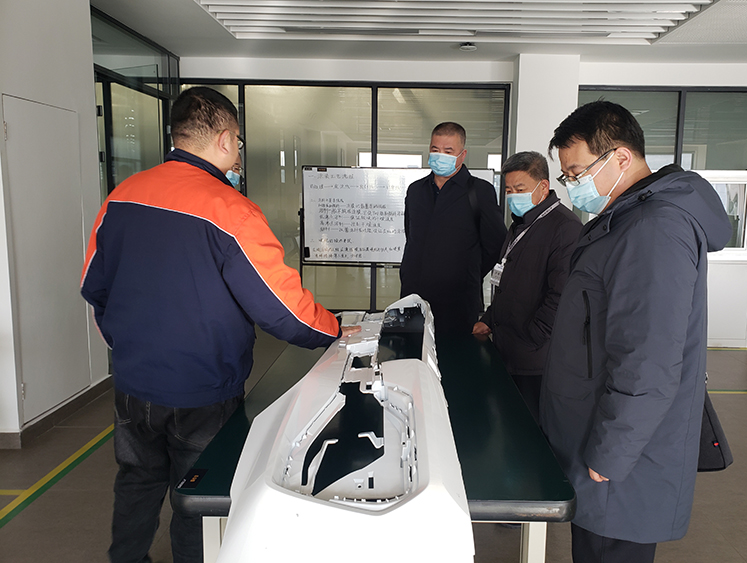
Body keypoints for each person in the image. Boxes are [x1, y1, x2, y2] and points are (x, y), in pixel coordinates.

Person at [80, 87, 359, 563]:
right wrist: (331, 328)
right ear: (227, 139)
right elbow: (281, 308)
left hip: (132, 383)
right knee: (200, 497)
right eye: (239, 143)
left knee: (137, 482)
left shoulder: (122, 197)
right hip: (202, 389)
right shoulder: (230, 209)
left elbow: (94, 286)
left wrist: (125, 347)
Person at [539, 100, 732, 563]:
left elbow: (648, 360)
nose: (572, 185)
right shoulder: (625, 219)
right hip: (597, 435)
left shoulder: (653, 229)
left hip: (620, 461)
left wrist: (612, 452)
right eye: (566, 176)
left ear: (621, 158)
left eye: (576, 173)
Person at [472, 151, 581, 423]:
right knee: (511, 421)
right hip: (509, 348)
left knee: (532, 427)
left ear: (543, 187)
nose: (513, 196)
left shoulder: (565, 228)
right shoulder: (521, 223)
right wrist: (489, 319)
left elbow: (561, 295)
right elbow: (507, 279)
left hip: (536, 358)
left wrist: (533, 336)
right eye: (509, 190)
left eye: (520, 189)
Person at [400, 122, 507, 334]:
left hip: (458, 300)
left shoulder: (479, 191)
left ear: (462, 154)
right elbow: (411, 235)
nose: (440, 156)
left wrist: (468, 271)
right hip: (414, 296)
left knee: (456, 352)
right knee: (413, 351)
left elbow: (496, 244)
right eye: (435, 150)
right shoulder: (416, 190)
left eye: (448, 151)